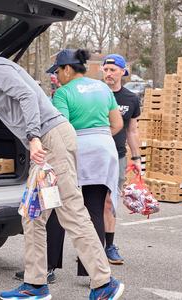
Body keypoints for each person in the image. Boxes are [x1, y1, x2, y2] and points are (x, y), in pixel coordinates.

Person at [0, 49, 124, 300]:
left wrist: (33, 137)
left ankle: (105, 283)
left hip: (51, 139)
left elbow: (27, 95)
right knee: (32, 214)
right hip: (44, 144)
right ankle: (35, 285)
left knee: (71, 211)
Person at [48, 48, 124, 278]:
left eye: (57, 71)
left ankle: (48, 267)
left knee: (58, 208)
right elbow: (118, 123)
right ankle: (91, 271)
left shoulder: (63, 93)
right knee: (95, 210)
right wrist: (98, 138)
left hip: (76, 149)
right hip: (104, 150)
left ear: (68, 69)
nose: (56, 76)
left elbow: (62, 129)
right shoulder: (103, 87)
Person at [102, 54, 141, 264]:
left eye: (113, 70)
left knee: (110, 202)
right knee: (90, 201)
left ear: (122, 72)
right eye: (106, 70)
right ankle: (92, 247)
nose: (108, 74)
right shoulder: (95, 93)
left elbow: (132, 130)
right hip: (94, 156)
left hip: (117, 156)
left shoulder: (131, 99)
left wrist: (136, 157)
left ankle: (109, 246)